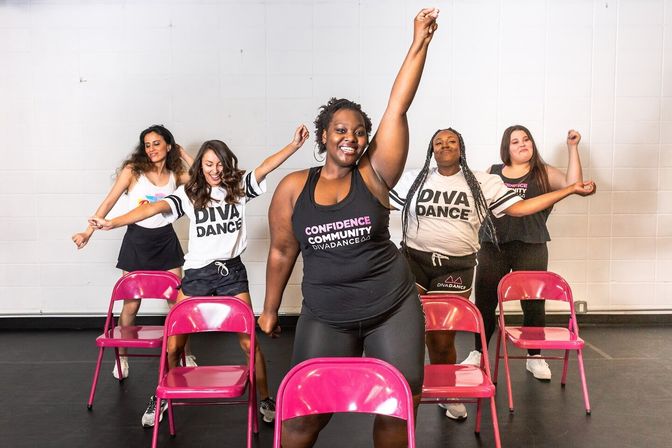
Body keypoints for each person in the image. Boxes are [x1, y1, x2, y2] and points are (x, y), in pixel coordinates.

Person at [257, 8, 439, 448]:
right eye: (340, 129)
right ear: (323, 135)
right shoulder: (293, 187)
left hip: (391, 307)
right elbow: (283, 251)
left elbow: (398, 105)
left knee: (396, 406)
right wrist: (269, 307)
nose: (350, 138)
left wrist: (419, 43)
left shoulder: (374, 175)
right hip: (326, 314)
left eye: (359, 132)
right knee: (303, 416)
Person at [89, 125, 309, 427]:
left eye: (219, 163)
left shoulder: (239, 188)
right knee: (175, 343)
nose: (215, 169)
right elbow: (152, 208)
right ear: (200, 166)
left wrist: (293, 145)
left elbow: (265, 166)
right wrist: (112, 223)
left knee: (250, 344)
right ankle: (160, 396)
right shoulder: (189, 194)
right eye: (208, 164)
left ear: (226, 163)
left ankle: (264, 398)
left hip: (231, 272)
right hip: (197, 273)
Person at [390, 127, 596, 420]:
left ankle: (447, 392)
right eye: (439, 142)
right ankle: (406, 391)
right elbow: (380, 200)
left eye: (452, 141)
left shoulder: (483, 182)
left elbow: (522, 207)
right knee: (408, 328)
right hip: (415, 261)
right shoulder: (414, 178)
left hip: (457, 265)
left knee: (442, 338)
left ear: (461, 147)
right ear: (431, 150)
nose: (445, 145)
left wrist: (569, 189)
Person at [463, 125, 588, 382]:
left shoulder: (543, 173)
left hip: (531, 245)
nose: (522, 144)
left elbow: (574, 184)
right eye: (515, 141)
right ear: (506, 148)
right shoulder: (493, 172)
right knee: (485, 301)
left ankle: (534, 356)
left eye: (526, 139)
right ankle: (478, 353)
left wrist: (572, 147)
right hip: (493, 245)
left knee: (533, 303)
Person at [72, 124, 193, 383]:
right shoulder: (133, 171)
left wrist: (183, 153)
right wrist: (87, 232)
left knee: (177, 301)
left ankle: (185, 354)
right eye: (147, 145)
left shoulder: (176, 173)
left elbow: (202, 180)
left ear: (168, 145)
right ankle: (122, 357)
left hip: (165, 240)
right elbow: (108, 202)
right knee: (132, 302)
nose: (151, 149)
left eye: (157, 143)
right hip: (137, 240)